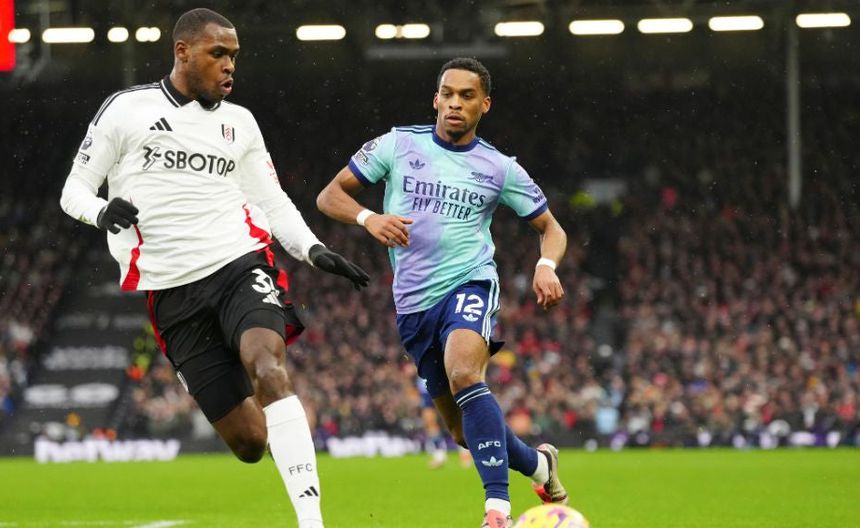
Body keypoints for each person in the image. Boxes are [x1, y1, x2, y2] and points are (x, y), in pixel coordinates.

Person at [59, 9, 368, 528]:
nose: (229, 66)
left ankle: (311, 521)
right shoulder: (126, 110)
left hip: (238, 264)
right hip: (171, 291)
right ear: (182, 52)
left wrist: (312, 249)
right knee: (250, 443)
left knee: (268, 367)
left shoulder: (239, 122)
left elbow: (270, 200)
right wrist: (101, 211)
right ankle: (279, 426)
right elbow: (74, 191)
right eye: (218, 54)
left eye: (234, 57)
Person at [317, 57, 569, 528]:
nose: (455, 103)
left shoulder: (499, 168)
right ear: (435, 99)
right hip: (413, 304)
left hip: (469, 282)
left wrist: (545, 265)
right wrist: (369, 218)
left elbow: (551, 228)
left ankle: (497, 510)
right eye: (448, 94)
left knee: (464, 373)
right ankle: (539, 465)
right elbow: (329, 195)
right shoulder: (397, 144)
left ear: (484, 105)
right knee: (461, 431)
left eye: (467, 96)